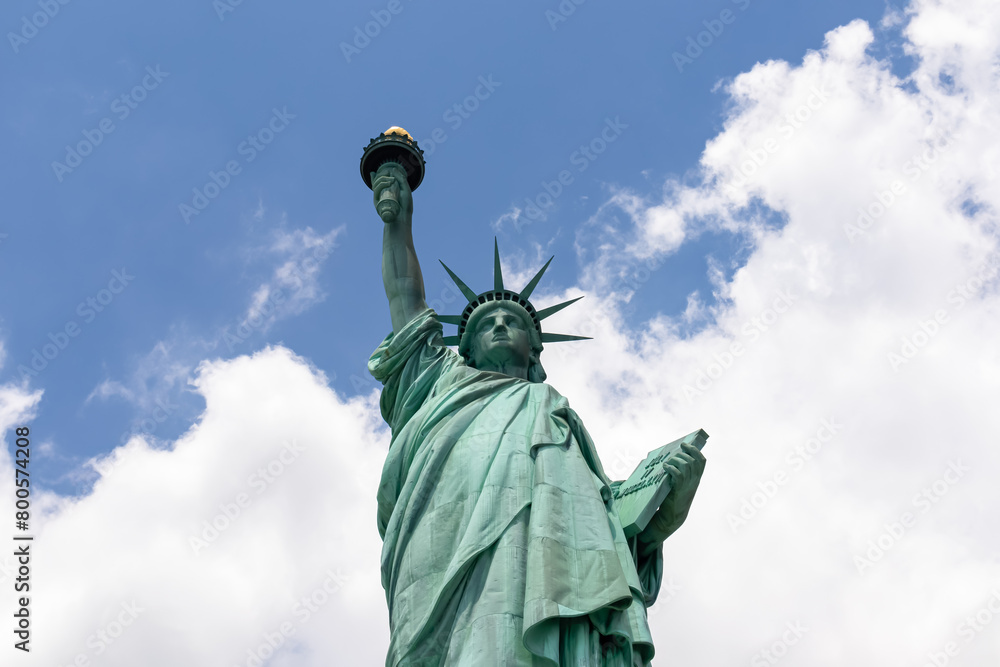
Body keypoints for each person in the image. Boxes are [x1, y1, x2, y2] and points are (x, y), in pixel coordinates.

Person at [368, 160, 706, 666]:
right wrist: (399, 220)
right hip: (437, 550)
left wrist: (663, 514)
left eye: (512, 321)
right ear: (468, 348)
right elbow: (405, 298)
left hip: (538, 568)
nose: (500, 325)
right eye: (487, 323)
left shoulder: (553, 413)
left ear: (536, 354)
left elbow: (601, 533)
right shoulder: (436, 383)